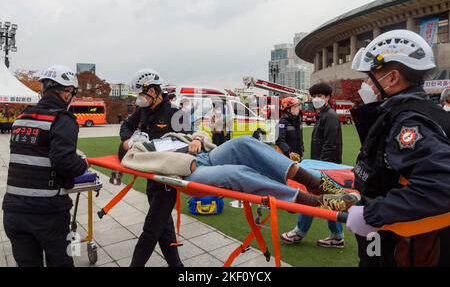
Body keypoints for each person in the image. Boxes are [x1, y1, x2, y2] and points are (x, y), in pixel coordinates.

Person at [347, 29, 450, 267]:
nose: (364, 83)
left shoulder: (408, 123)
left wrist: (372, 213)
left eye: (370, 75)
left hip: (403, 245)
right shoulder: (413, 113)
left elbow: (442, 185)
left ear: (392, 78)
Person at [119, 131, 360, 212]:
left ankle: (316, 182)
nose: (134, 139)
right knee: (236, 172)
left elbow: (201, 133)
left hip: (205, 155)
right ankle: (316, 201)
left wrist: (195, 139)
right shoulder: (137, 152)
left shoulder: (166, 137)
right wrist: (185, 162)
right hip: (189, 171)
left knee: (243, 142)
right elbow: (137, 162)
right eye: (129, 141)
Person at [2, 65, 88, 267]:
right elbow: (64, 162)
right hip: (47, 212)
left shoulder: (20, 119)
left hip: (13, 211)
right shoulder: (62, 119)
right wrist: (82, 164)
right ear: (67, 93)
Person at [120, 68, 190, 267]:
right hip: (151, 177)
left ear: (152, 91)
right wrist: (128, 141)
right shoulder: (142, 112)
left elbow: (187, 143)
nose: (138, 99)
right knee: (163, 228)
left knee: (150, 231)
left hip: (167, 179)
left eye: (141, 94)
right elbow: (125, 127)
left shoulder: (176, 114)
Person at [281, 83, 345, 248]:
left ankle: (301, 231)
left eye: (320, 96)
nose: (316, 99)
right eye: (314, 96)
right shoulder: (323, 114)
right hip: (322, 165)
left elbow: (331, 145)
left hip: (324, 167)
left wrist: (319, 167)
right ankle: (336, 236)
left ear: (328, 98)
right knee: (325, 200)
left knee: (313, 198)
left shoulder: (329, 116)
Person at [276, 97, 304, 162]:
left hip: (297, 156)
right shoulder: (282, 122)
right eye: (295, 106)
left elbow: (300, 137)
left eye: (298, 106)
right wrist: (290, 152)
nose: (298, 108)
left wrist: (301, 150)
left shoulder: (298, 120)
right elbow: (279, 140)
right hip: (286, 157)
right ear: (287, 109)